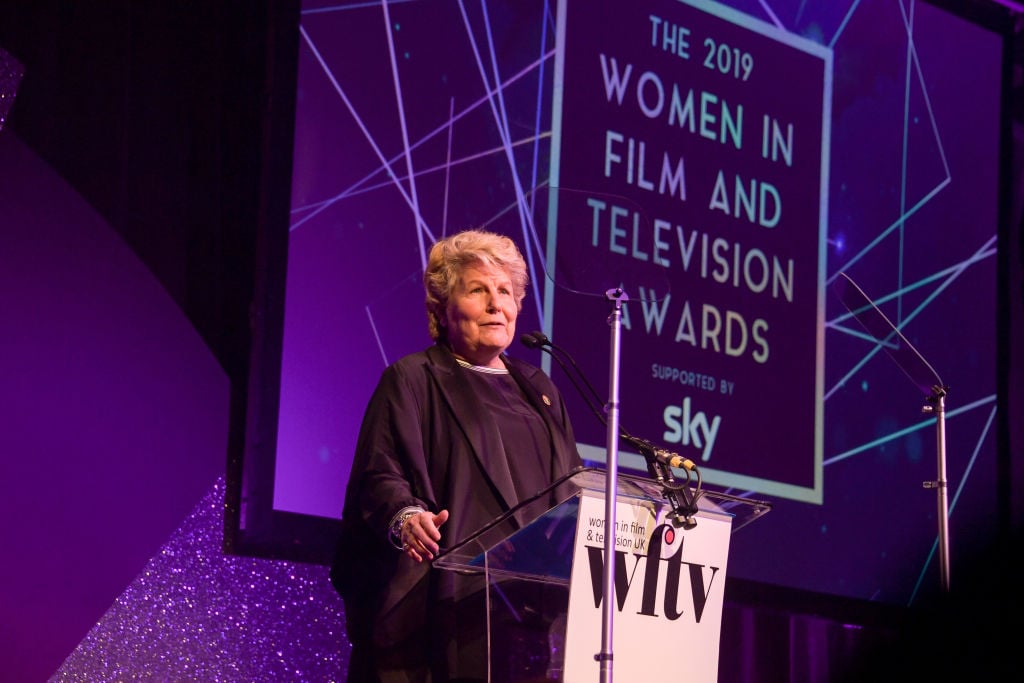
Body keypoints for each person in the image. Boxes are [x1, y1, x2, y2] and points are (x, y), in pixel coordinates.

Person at [330, 229, 583, 683]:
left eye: (505, 291)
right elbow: (379, 472)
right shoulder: (414, 379)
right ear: (443, 309)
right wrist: (407, 518)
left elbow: (569, 491)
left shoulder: (540, 391)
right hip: (442, 613)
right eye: (478, 290)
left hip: (526, 616)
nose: (496, 304)